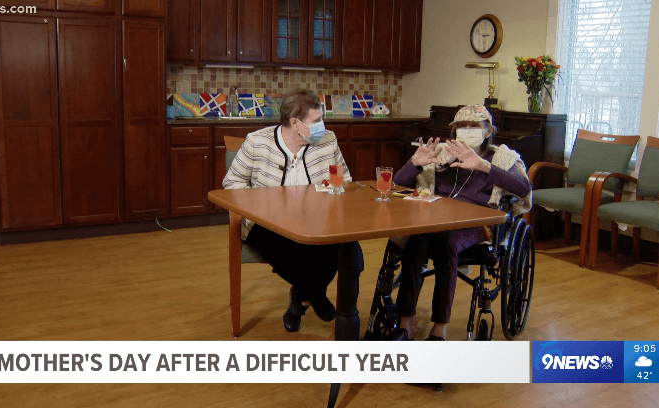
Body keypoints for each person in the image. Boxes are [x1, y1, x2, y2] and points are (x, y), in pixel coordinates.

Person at [223, 89, 363, 333]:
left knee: (346, 245)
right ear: (296, 123)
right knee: (291, 251)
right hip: (266, 224)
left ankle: (300, 302)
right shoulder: (258, 142)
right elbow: (232, 184)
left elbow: (344, 179)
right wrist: (264, 206)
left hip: (317, 221)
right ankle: (315, 298)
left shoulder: (327, 140)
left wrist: (331, 189)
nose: (323, 126)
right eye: (317, 121)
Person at [389, 104, 532, 341]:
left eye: (474, 126)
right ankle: (405, 325)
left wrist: (482, 165)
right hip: (434, 220)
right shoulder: (442, 154)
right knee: (415, 242)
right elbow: (399, 182)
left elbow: (523, 188)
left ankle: (439, 329)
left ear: (488, 131)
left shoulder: (501, 157)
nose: (466, 130)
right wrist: (414, 163)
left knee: (447, 243)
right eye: (461, 126)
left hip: (475, 225)